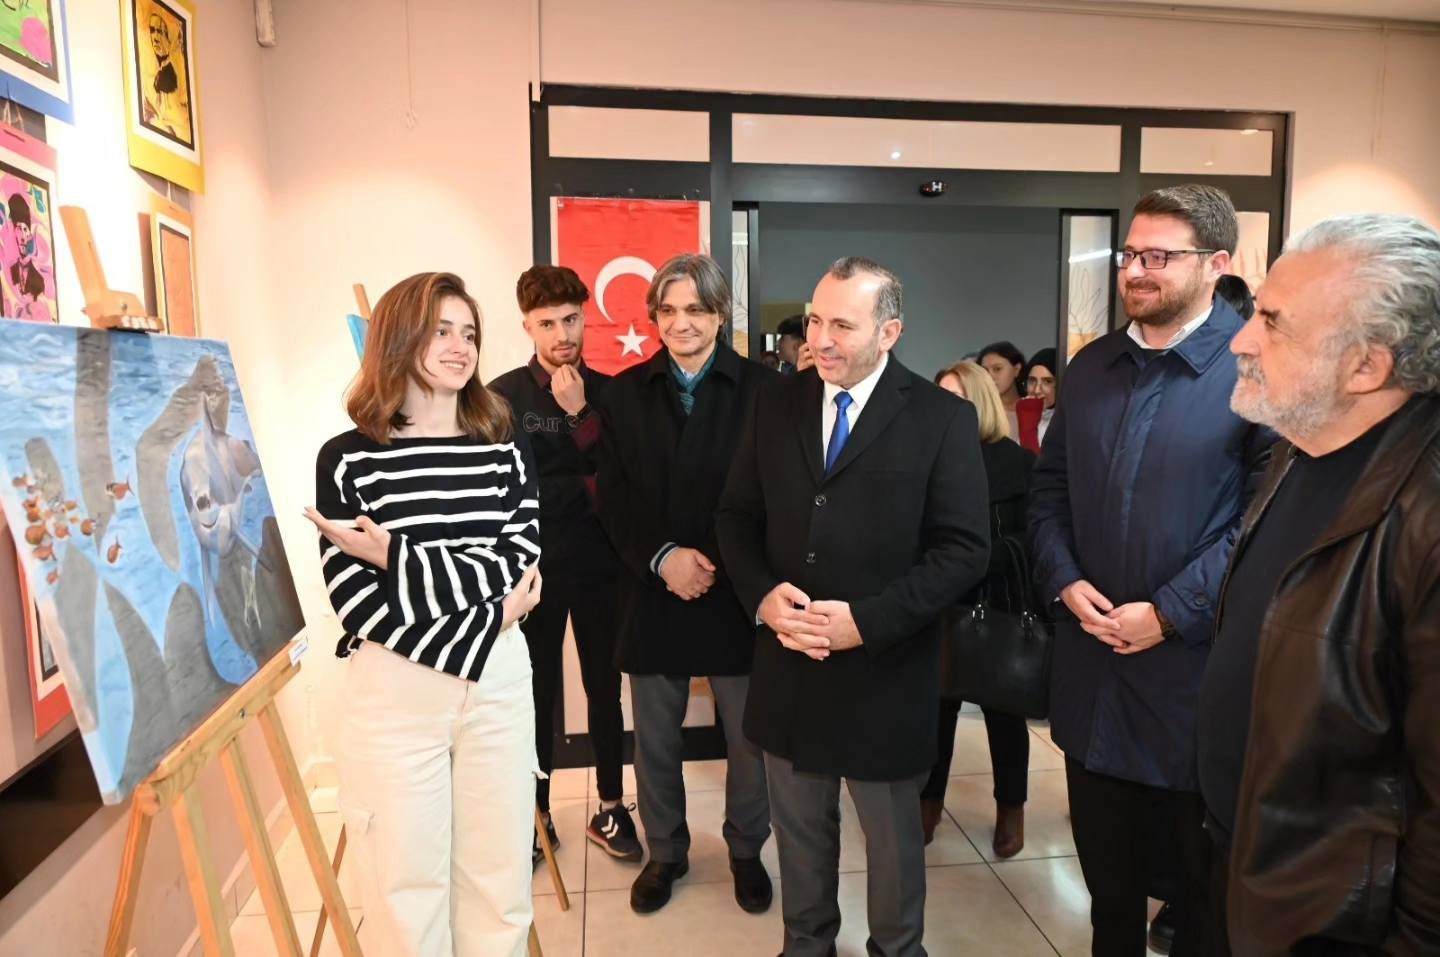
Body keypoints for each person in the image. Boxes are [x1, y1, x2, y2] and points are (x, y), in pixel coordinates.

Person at [717, 257, 990, 957]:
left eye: (842, 324)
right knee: (801, 837)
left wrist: (865, 623)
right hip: (789, 666)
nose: (820, 338)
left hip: (884, 673)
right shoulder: (774, 404)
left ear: (889, 331)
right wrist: (763, 597)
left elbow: (964, 551)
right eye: (815, 319)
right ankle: (807, 944)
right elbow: (736, 518)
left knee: (892, 847)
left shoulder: (941, 418)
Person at [1028, 185, 1275, 957]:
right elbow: (1048, 492)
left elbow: (1263, 524)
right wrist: (1065, 579)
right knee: (1109, 893)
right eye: (1130, 253)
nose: (1135, 270)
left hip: (1192, 686)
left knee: (1200, 900)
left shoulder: (1257, 368)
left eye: (1158, 256)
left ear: (1217, 263)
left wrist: (1168, 612)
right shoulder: (1092, 366)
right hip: (1093, 674)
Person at [1199, 214, 1440, 955]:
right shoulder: (1299, 447)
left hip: (1336, 922)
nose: (1241, 340)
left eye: (1272, 322)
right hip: (1247, 866)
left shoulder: (1427, 520)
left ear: (1366, 366)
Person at [306, 272, 545, 956]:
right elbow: (357, 602)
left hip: (498, 684)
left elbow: (517, 563)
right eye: (441, 330)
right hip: (396, 691)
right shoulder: (348, 458)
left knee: (499, 884)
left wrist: (395, 557)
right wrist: (491, 615)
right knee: (404, 888)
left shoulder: (504, 442)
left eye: (469, 333)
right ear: (398, 336)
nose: (460, 346)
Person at [594, 253, 776, 915]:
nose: (681, 323)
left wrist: (715, 563)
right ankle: (665, 852)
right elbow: (611, 496)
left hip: (736, 588)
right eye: (667, 310)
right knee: (656, 742)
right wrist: (664, 558)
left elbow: (773, 496)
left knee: (750, 740)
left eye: (696, 308)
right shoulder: (623, 394)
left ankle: (746, 849)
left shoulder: (765, 390)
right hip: (654, 586)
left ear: (721, 313)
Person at [490, 265, 638, 865]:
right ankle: (538, 814)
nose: (562, 335)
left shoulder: (612, 393)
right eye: (547, 323)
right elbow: (505, 492)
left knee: (605, 687)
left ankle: (612, 805)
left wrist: (579, 417)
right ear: (527, 326)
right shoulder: (501, 397)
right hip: (533, 575)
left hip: (603, 568)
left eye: (571, 319)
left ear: (585, 317)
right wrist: (581, 486)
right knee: (537, 692)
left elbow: (622, 484)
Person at [927, 360, 1034, 857]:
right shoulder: (925, 458)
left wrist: (978, 560)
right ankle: (928, 802)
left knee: (1004, 713)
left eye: (958, 400)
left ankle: (1011, 808)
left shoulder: (1017, 464)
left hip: (998, 602)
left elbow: (1032, 538)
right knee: (935, 711)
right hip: (937, 603)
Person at [977, 340, 1026, 438]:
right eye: (985, 371)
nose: (990, 376)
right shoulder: (979, 412)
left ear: (1017, 369)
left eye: (997, 369)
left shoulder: (1033, 409)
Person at [1023, 348, 1058, 448]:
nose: (1037, 390)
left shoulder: (1069, 423)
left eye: (1047, 381)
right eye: (1032, 380)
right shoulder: (1021, 413)